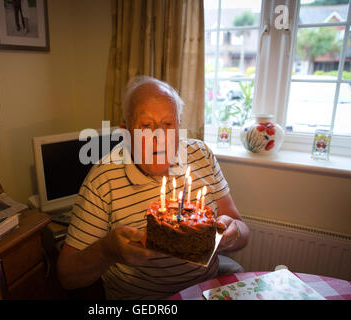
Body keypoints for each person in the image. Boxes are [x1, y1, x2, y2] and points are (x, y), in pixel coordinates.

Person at [57, 76, 250, 300]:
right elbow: (67, 276)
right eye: (146, 126)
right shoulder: (103, 179)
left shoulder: (201, 155)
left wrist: (232, 234)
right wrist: (106, 251)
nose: (160, 137)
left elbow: (243, 230)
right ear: (126, 132)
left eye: (168, 124)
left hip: (204, 292)